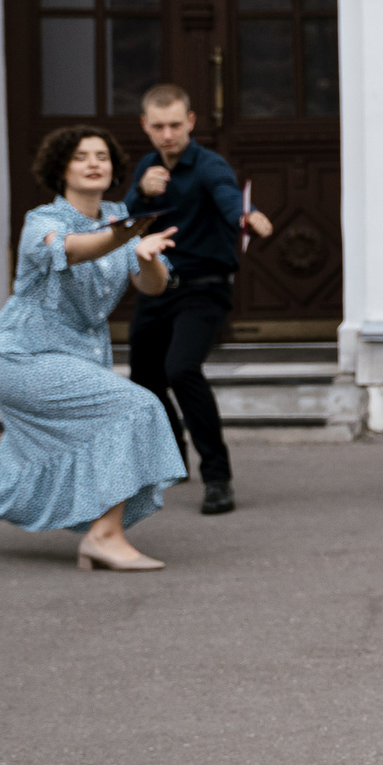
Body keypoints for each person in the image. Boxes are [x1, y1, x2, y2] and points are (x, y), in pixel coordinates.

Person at [0, 127, 187, 570]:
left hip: (80, 358)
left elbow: (153, 284)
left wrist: (144, 258)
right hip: (25, 356)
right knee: (137, 408)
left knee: (21, 473)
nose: (93, 163)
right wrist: (124, 239)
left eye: (101, 156)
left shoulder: (122, 219)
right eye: (80, 156)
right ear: (61, 167)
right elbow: (74, 249)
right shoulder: (43, 221)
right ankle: (104, 537)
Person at [123, 84, 271, 516]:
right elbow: (124, 222)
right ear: (145, 127)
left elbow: (228, 197)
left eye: (175, 125)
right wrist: (140, 194)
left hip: (204, 287)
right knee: (145, 377)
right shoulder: (148, 169)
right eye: (158, 126)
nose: (167, 134)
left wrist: (246, 215)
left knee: (182, 368)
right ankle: (173, 458)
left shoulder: (209, 166)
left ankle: (218, 477)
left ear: (189, 122)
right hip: (157, 287)